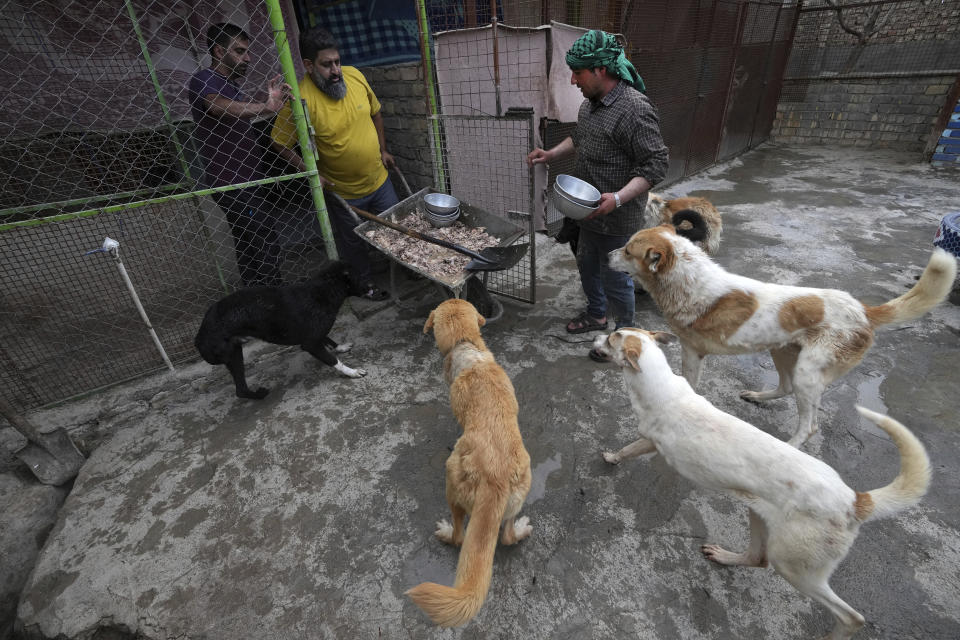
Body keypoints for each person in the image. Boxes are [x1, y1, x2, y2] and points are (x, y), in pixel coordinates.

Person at [526, 29, 668, 362]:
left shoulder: (634, 110)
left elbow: (657, 165)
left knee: (617, 278)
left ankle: (628, 338)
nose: (573, 80)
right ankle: (596, 314)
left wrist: (617, 198)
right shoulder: (591, 105)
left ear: (600, 70)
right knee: (586, 264)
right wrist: (551, 153)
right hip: (587, 210)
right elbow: (581, 138)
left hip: (617, 216)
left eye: (578, 72)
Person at [271, 26, 397, 301]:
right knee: (353, 243)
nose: (336, 70)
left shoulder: (355, 76)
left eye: (337, 61)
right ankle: (364, 285)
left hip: (379, 178)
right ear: (308, 65)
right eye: (326, 65)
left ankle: (407, 268)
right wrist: (310, 172)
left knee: (397, 225)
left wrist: (383, 150)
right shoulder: (300, 99)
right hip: (344, 193)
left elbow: (376, 114)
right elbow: (279, 142)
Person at [188, 22, 293, 287]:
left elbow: (240, 109)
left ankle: (256, 299)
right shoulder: (205, 80)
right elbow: (217, 107)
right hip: (232, 183)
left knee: (249, 244)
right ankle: (273, 300)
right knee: (265, 239)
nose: (248, 58)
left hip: (247, 180)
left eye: (247, 51)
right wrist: (265, 107)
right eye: (240, 51)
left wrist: (271, 105)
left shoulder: (231, 86)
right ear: (219, 51)